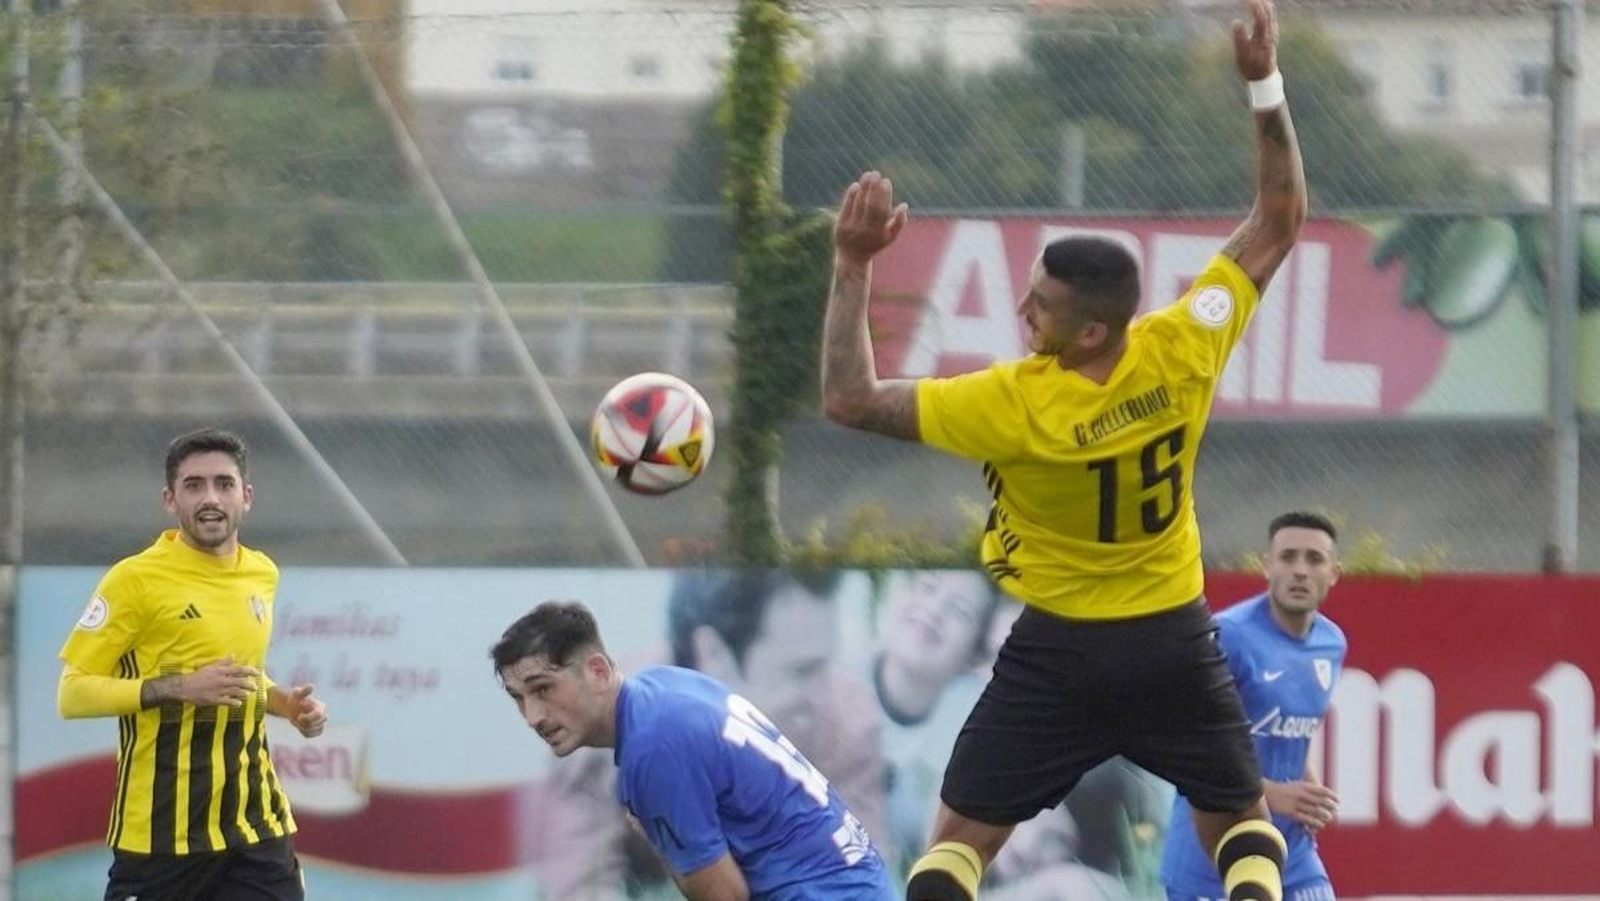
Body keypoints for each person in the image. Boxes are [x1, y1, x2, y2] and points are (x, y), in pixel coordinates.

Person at [818, 0, 1307, 897]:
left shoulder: (1013, 403)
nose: (1021, 313)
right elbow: (1277, 221)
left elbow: (848, 397)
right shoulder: (1183, 343)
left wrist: (853, 264)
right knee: (1240, 822)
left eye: (1038, 306)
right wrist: (1262, 85)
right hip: (1170, 636)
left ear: (1086, 332)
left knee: (959, 840)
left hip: (1060, 650)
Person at [56, 427, 328, 901]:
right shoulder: (134, 580)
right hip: (161, 834)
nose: (210, 498)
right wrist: (179, 687)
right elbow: (73, 693)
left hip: (253, 821)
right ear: (169, 499)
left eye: (224, 484)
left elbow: (239, 677)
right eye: (194, 485)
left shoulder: (261, 573)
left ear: (246, 496)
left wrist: (286, 704)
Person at [492, 600, 896, 900]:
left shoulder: (652, 748)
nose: (532, 716)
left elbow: (724, 896)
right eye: (518, 698)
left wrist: (657, 835)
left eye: (543, 689)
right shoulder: (663, 687)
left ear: (597, 671)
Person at [1161, 512, 1346, 901]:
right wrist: (1271, 794)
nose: (1300, 570)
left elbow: (1296, 728)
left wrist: (1307, 785)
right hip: (1214, 851)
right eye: (1288, 557)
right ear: (1267, 567)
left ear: (1334, 573)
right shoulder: (1228, 636)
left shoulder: (1331, 643)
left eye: (1314, 560)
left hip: (1293, 851)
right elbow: (1181, 747)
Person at [867, 570, 1001, 877]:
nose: (933, 611)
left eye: (959, 610)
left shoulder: (980, 713)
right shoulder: (838, 686)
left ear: (974, 653)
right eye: (927, 587)